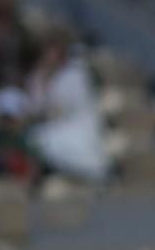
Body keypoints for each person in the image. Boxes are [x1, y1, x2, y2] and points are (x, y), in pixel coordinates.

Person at [24, 30, 107, 182]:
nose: (49, 57)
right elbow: (36, 108)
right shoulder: (36, 77)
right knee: (34, 138)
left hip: (76, 123)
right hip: (51, 124)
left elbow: (69, 106)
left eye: (53, 53)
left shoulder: (75, 75)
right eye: (46, 53)